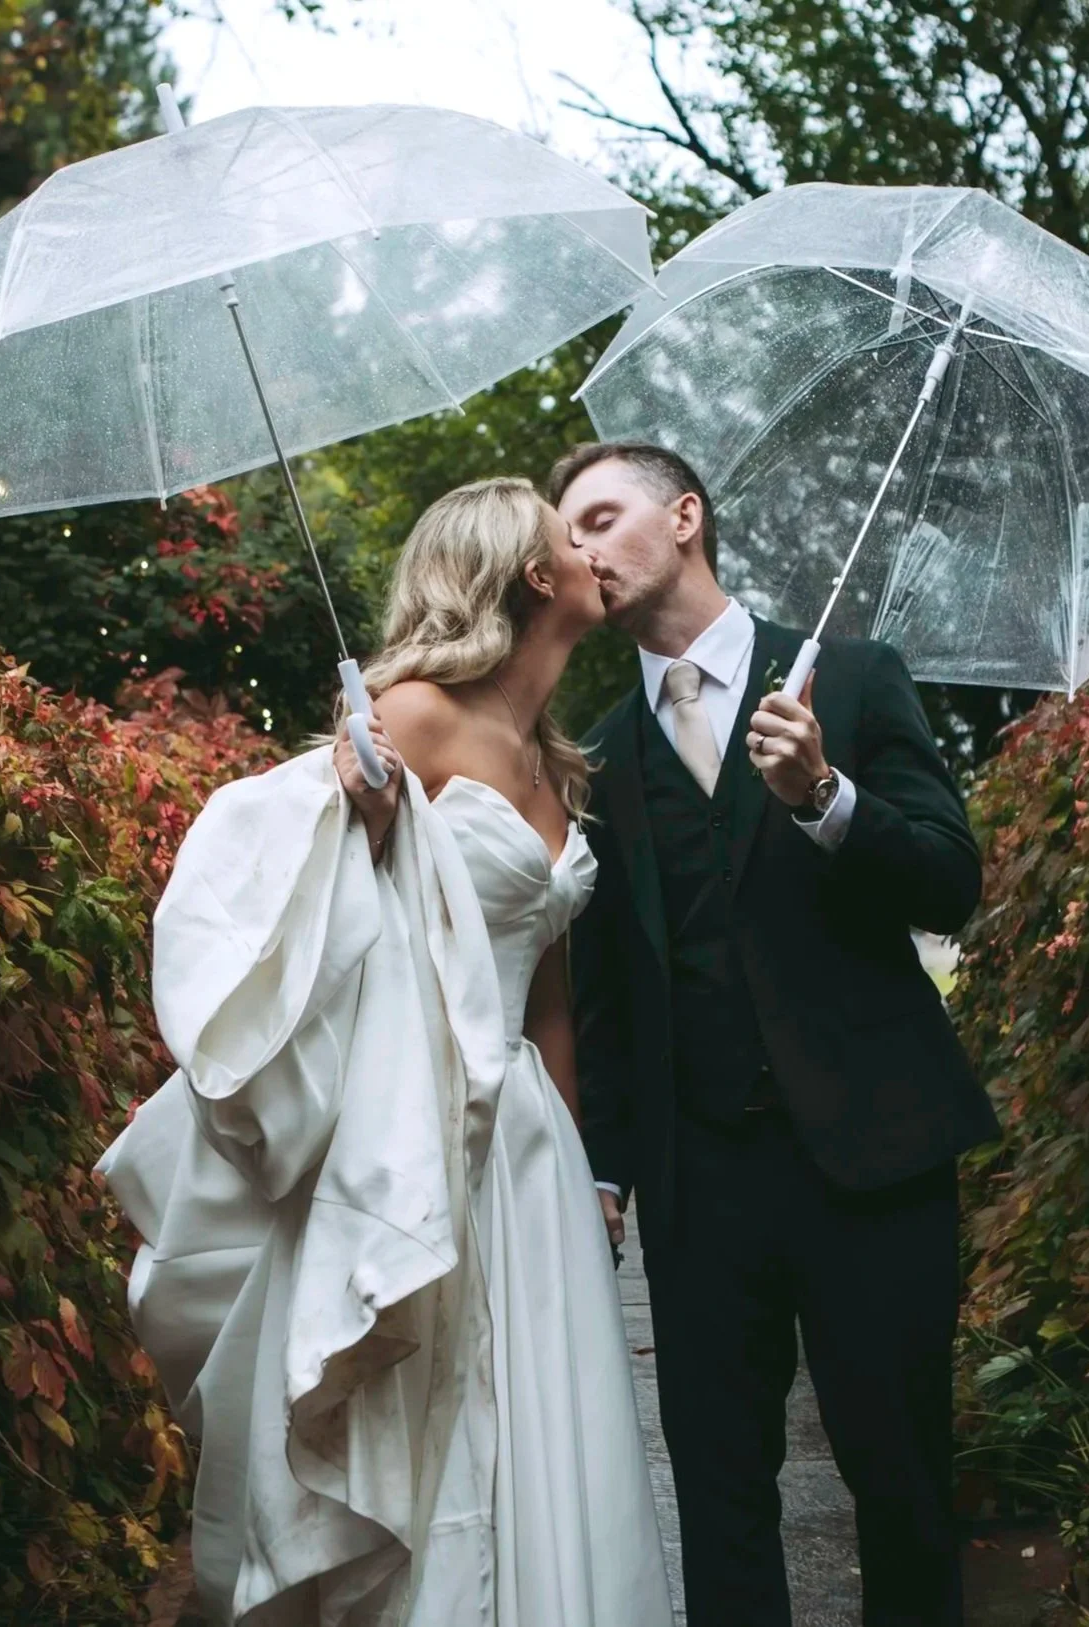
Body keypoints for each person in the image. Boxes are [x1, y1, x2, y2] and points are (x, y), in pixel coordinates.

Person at [97, 478, 670, 1627]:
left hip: (530, 1149)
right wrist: (350, 820)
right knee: (434, 1421)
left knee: (545, 1420)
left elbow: (547, 982)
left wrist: (580, 1161)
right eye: (571, 531)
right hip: (421, 1128)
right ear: (528, 572)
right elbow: (284, 894)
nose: (589, 548)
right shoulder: (408, 712)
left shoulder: (557, 759)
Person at [555, 441, 998, 1627]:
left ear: (685, 516)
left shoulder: (848, 679)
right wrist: (605, 1171)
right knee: (719, 1497)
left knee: (900, 1480)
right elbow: (602, 990)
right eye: (568, 532)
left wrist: (825, 799)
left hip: (875, 1159)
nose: (578, 547)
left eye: (601, 516)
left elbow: (951, 882)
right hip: (701, 1183)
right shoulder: (593, 756)